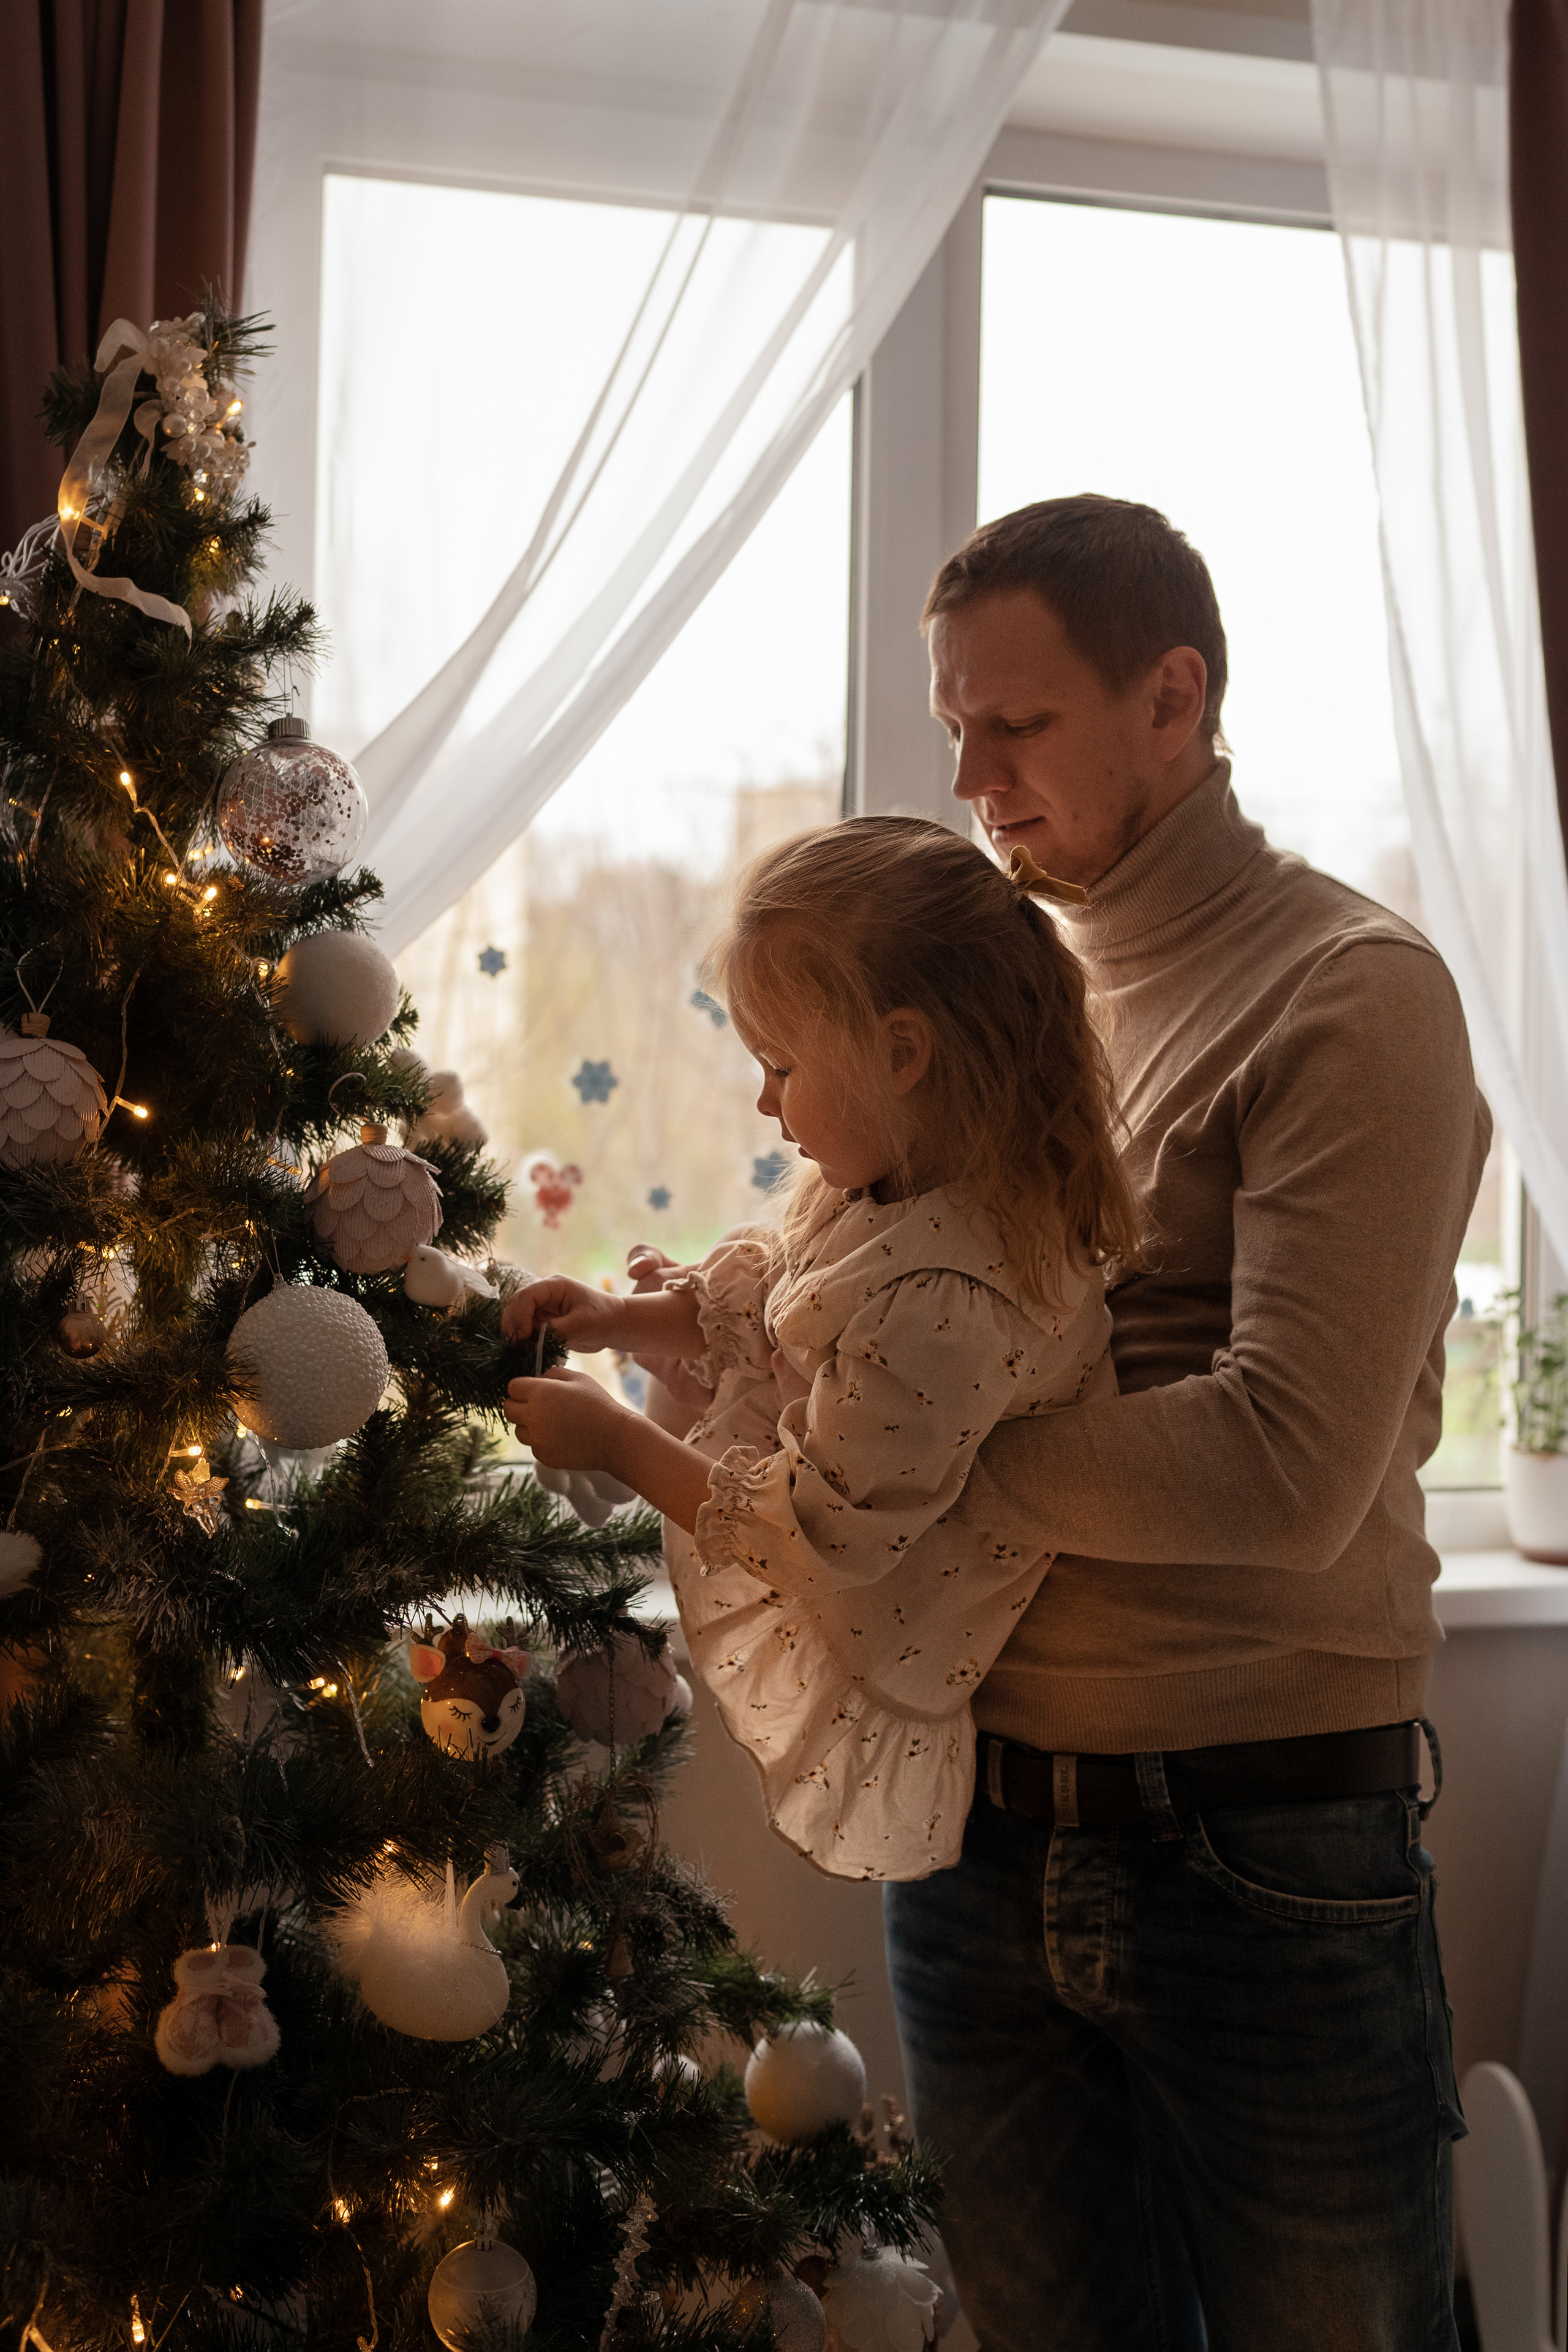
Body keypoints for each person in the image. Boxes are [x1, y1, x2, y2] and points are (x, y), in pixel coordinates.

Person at [873, 495, 1490, 2352]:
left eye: (1020, 727)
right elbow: (898, 1317)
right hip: (974, 1841)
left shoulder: (1349, 995)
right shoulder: (1008, 1003)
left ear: (1175, 700)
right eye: (954, 730)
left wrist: (906, 1453)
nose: (974, 779)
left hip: (1259, 1850)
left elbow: (1285, 1469)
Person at [500, 816, 1140, 1879]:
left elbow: (810, 1534)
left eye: (782, 1065)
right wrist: (616, 1318)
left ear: (901, 1052)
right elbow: (774, 1307)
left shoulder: (955, 1292)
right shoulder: (897, 1190)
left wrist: (614, 1438)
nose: (764, 1101)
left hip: (873, 1629)